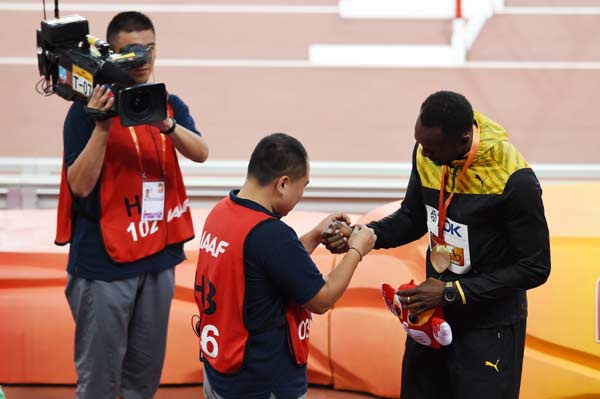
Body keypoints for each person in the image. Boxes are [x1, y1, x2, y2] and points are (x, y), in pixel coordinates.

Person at [323, 91, 550, 398]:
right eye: (420, 142)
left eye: (432, 148)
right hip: (432, 316)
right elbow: (412, 217)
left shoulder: (514, 179)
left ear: (462, 140)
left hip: (488, 327)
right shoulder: (426, 152)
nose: (423, 153)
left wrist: (451, 292)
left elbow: (535, 267)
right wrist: (363, 235)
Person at [55, 11, 209, 399]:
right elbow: (80, 185)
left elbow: (201, 152)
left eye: (150, 50)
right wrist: (103, 127)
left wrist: (166, 124)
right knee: (100, 382)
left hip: (157, 255)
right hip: (103, 264)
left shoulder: (167, 103)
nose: (143, 61)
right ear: (111, 56)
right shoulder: (84, 112)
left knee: (143, 380)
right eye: (131, 53)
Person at [194, 133, 376, 399]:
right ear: (283, 184)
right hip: (262, 382)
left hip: (220, 372)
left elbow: (266, 265)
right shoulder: (271, 235)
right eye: (302, 187)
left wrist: (315, 235)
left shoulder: (222, 212)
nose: (300, 196)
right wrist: (358, 249)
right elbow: (321, 300)